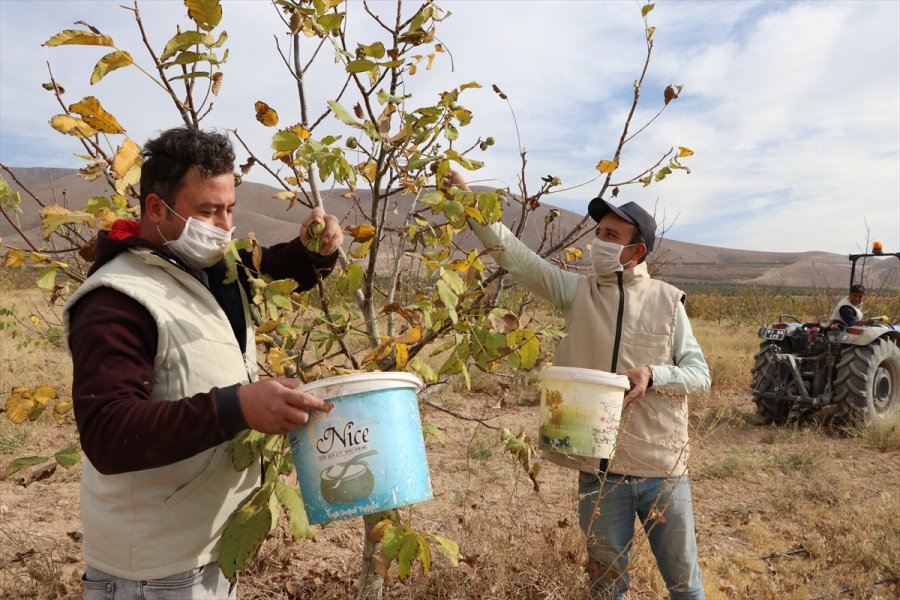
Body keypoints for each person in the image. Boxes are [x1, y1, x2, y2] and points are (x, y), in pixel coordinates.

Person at [64, 127, 344, 599]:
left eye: (229, 209)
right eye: (208, 211)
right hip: (151, 573)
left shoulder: (212, 267)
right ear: (157, 208)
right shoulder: (117, 301)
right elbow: (107, 433)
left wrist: (315, 253)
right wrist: (238, 407)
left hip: (210, 550)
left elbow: (271, 268)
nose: (223, 224)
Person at [446, 171, 710, 599]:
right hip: (600, 474)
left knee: (684, 587)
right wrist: (468, 203)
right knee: (605, 589)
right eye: (599, 231)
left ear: (636, 249)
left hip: (661, 471)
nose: (599, 240)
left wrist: (654, 374)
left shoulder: (668, 301)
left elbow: (700, 375)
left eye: (611, 234)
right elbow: (515, 257)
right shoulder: (577, 293)